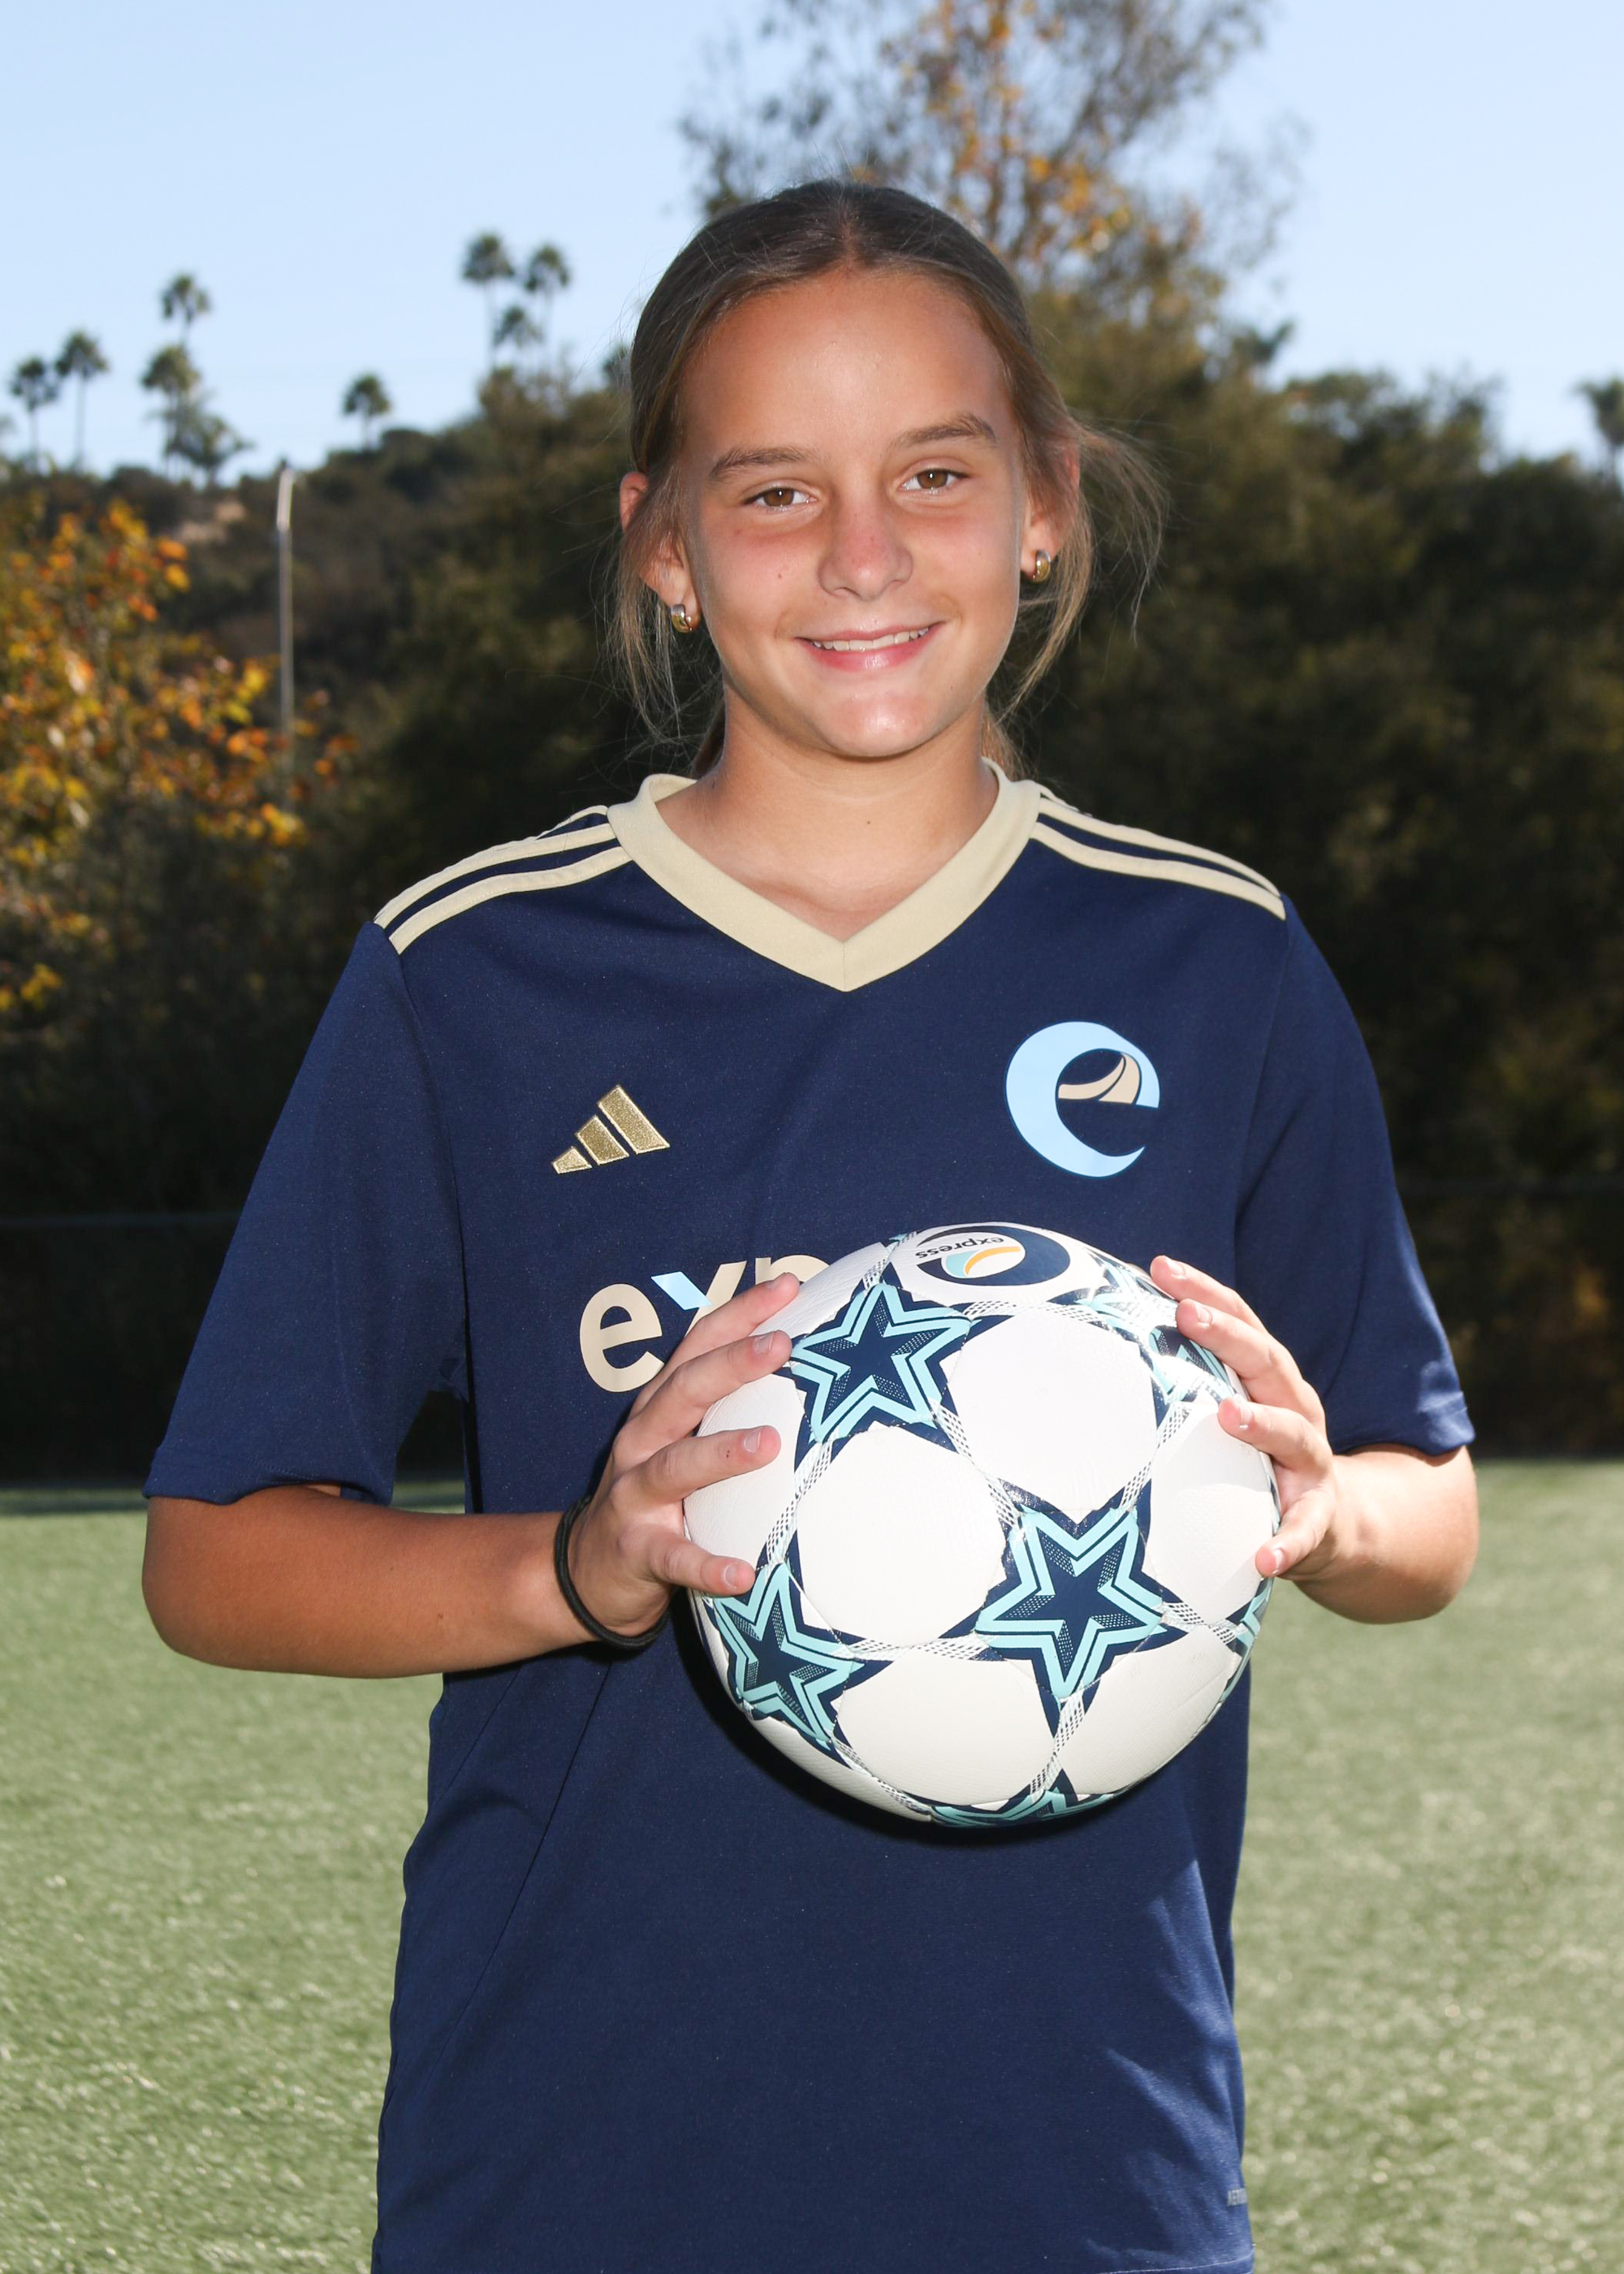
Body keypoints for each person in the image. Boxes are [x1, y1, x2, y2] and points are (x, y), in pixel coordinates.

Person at [142, 179, 1479, 2274]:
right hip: (575, 2168)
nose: (863, 555)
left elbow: (1430, 1506)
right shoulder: (473, 977)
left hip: (1082, 2168)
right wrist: (572, 1570)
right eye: (774, 491)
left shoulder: (1217, 963)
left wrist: (1327, 1511)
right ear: (665, 548)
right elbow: (216, 1556)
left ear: (1042, 507)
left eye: (934, 473)